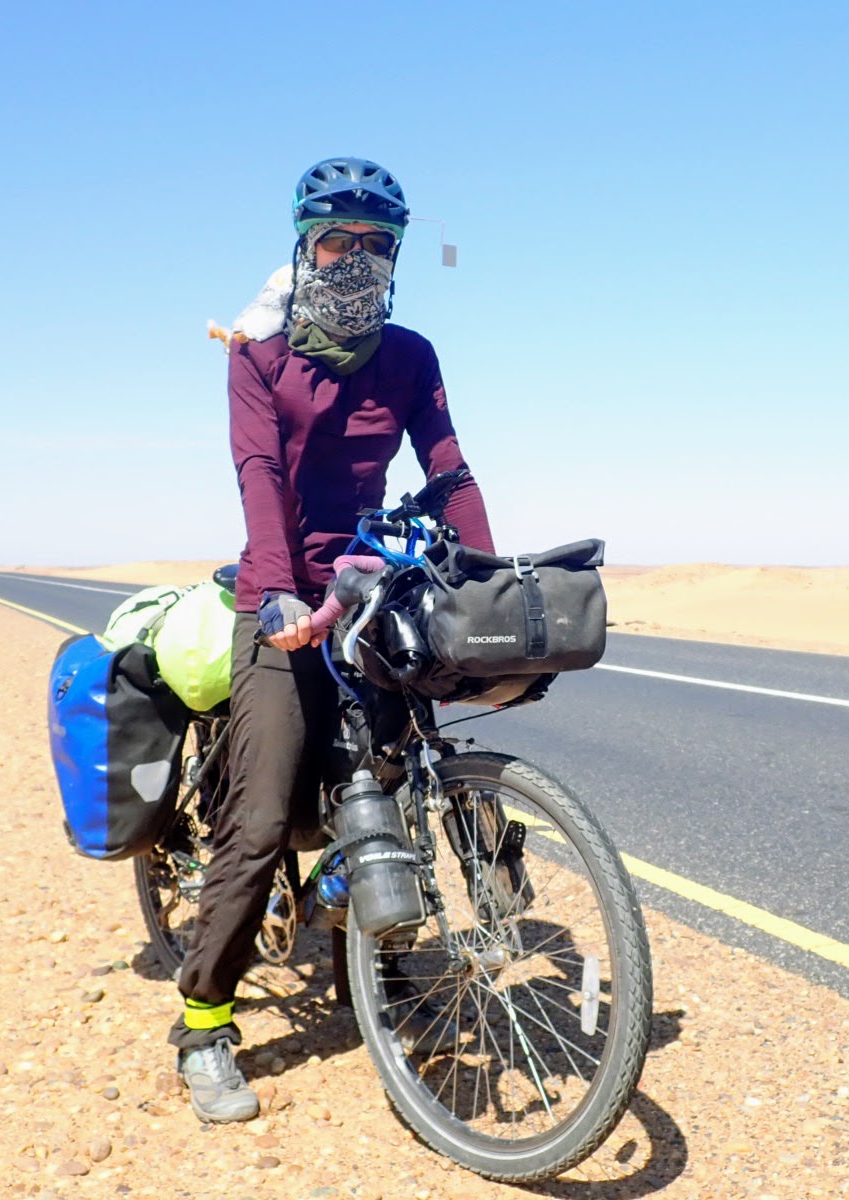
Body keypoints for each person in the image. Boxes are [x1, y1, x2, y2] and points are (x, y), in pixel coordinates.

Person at [168, 157, 495, 1122]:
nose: (355, 261)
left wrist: (487, 580)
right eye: (335, 242)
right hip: (278, 593)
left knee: (392, 782)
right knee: (264, 818)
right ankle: (203, 1024)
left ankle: (374, 962)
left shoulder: (411, 356)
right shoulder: (257, 355)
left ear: (396, 260)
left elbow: (447, 473)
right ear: (302, 246)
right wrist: (277, 599)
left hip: (366, 586)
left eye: (376, 246)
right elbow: (258, 473)